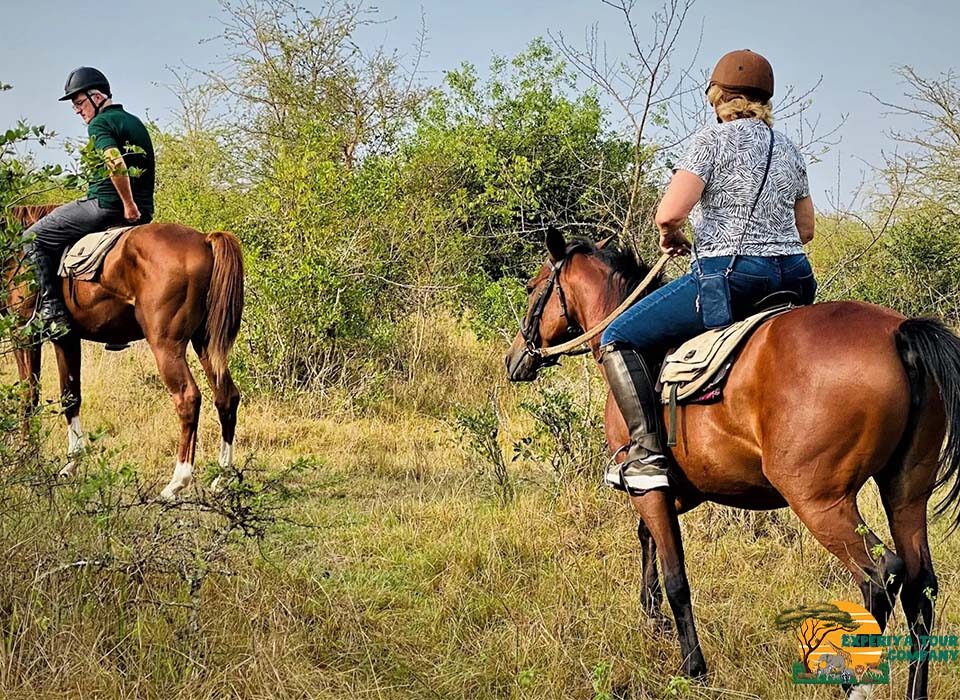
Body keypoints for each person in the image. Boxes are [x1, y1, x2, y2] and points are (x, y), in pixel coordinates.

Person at [599, 49, 817, 495]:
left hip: (731, 279)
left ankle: (645, 454)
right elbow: (806, 229)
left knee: (616, 337)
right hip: (795, 279)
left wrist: (671, 236)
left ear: (719, 97)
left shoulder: (711, 141)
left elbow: (669, 213)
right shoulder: (789, 149)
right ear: (764, 100)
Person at [24, 66, 155, 337]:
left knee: (30, 238)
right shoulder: (134, 122)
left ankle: (50, 311)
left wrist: (128, 204)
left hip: (105, 206)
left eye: (79, 102)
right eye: (74, 105)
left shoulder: (100, 123)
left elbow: (114, 162)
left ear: (97, 97)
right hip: (144, 212)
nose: (77, 110)